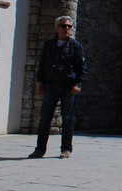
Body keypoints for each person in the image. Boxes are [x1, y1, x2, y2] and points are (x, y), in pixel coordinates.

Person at [28, 15, 87, 159]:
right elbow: (43, 64)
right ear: (57, 28)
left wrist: (78, 83)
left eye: (69, 26)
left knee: (67, 118)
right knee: (45, 118)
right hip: (51, 86)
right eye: (63, 26)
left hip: (68, 86)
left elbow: (82, 67)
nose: (67, 29)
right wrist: (39, 81)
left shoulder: (75, 46)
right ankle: (40, 149)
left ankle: (66, 149)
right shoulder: (49, 45)